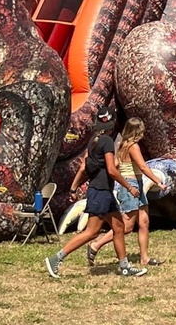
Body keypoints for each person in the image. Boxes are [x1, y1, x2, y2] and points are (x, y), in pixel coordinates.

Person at [44, 108, 147, 278]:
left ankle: (124, 266)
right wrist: (129, 187)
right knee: (91, 232)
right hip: (100, 192)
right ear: (112, 123)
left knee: (119, 227)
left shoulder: (94, 140)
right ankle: (56, 258)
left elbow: (85, 167)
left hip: (101, 190)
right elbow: (112, 170)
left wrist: (74, 186)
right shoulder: (106, 141)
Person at [86, 118, 166, 267]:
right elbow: (143, 166)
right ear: (136, 131)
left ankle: (144, 258)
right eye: (141, 131)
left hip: (138, 184)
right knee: (126, 227)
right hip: (132, 185)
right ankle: (96, 245)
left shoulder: (121, 144)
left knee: (144, 221)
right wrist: (158, 182)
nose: (143, 133)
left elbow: (116, 164)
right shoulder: (132, 146)